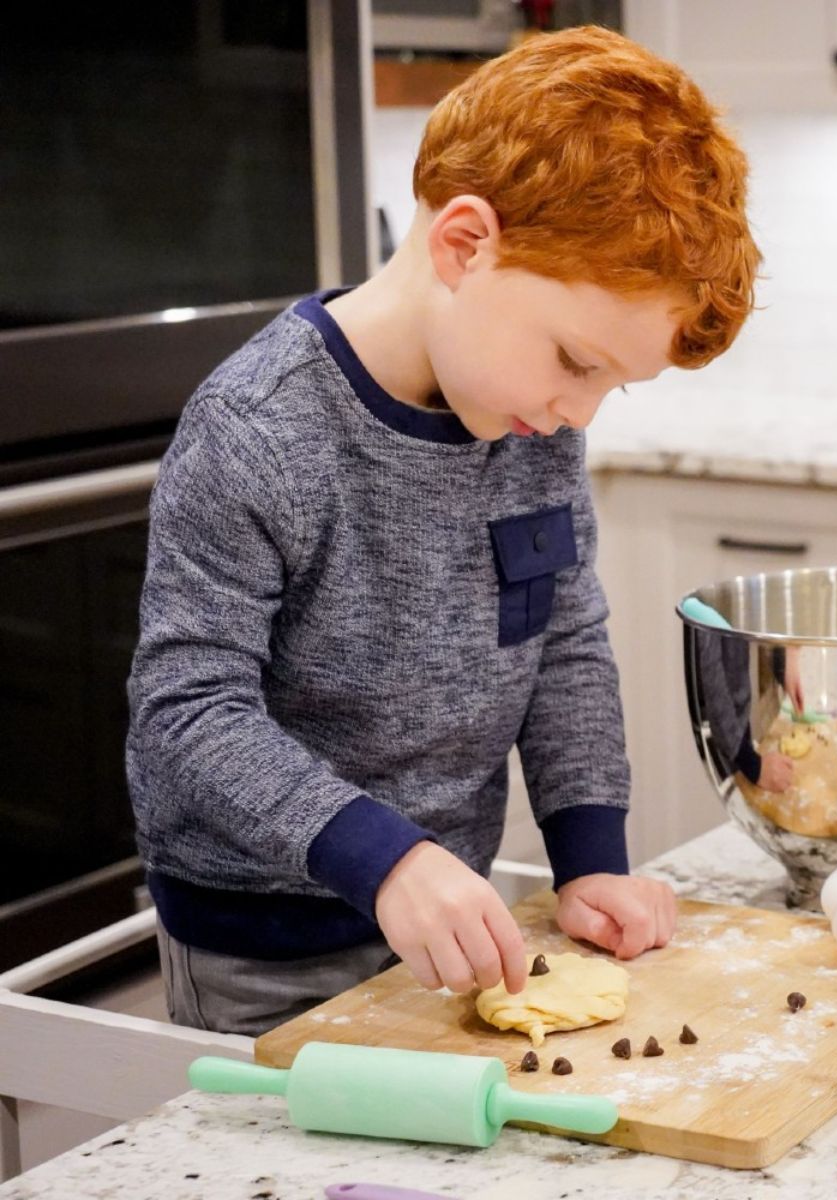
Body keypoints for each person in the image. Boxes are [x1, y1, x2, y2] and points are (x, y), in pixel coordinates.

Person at [126, 25, 761, 1035]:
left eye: (610, 384)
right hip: (267, 946)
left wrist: (591, 856)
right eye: (576, 359)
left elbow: (562, 641)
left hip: (451, 928)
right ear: (466, 244)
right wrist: (383, 859)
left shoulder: (523, 415)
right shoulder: (260, 427)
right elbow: (187, 710)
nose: (580, 411)